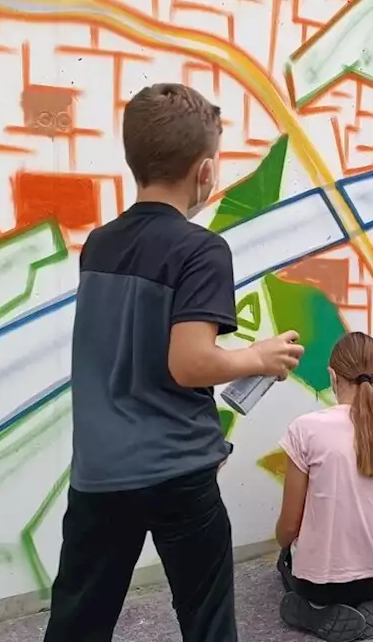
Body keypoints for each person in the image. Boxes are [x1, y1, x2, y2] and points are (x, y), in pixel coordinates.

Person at [45, 83, 305, 642]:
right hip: (176, 470)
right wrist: (256, 356)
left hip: (100, 471)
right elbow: (189, 363)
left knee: (77, 621)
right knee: (206, 618)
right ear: (206, 172)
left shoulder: (99, 244)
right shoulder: (201, 250)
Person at [275, 332, 373, 642]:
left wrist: (284, 541)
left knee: (283, 559)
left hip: (321, 585)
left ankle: (313, 611)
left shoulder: (305, 430)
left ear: (332, 376)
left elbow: (288, 527)